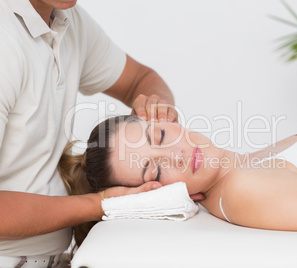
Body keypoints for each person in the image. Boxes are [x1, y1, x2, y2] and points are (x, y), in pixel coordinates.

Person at [0, 0, 190, 266]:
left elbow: (139, 79)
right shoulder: (5, 41)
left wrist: (158, 110)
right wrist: (101, 204)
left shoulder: (67, 20)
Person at [59, 115, 297, 247]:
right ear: (153, 194)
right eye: (155, 170)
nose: (175, 153)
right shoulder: (242, 189)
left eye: (161, 134)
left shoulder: (245, 164)